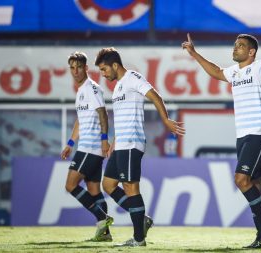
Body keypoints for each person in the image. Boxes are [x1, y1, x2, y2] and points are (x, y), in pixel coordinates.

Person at [182, 12, 261, 249]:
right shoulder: (234, 73)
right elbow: (216, 71)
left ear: (251, 52)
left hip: (259, 132)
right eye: (234, 45)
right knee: (254, 184)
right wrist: (194, 53)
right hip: (243, 135)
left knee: (241, 179)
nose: (234, 49)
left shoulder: (260, 68)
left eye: (240, 46)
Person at [95, 47, 185, 247]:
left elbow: (155, 96)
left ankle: (138, 238)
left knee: (130, 188)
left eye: (104, 69)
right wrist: (115, 141)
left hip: (132, 141)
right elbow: (122, 116)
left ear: (115, 65)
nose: (103, 74)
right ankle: (141, 219)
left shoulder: (132, 78)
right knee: (108, 185)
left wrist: (166, 120)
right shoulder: (118, 87)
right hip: (121, 144)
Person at [60, 51, 113, 242]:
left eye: (79, 67)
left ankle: (102, 218)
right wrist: (70, 143)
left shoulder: (92, 88)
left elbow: (103, 113)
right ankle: (105, 233)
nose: (75, 71)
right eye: (72, 68)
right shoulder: (81, 91)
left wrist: (105, 139)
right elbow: (81, 121)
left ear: (86, 68)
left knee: (70, 185)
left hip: (90, 147)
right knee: (94, 191)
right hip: (86, 146)